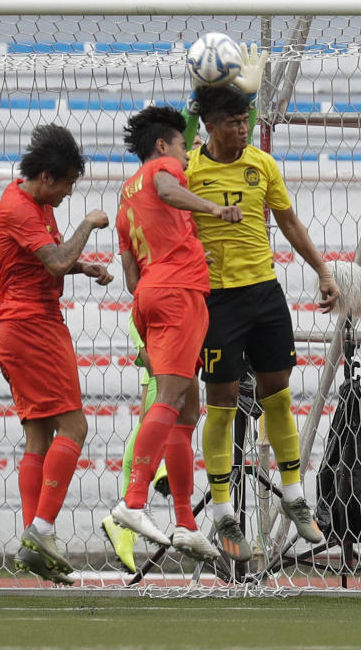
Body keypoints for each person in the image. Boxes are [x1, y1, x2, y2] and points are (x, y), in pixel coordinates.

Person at [184, 83, 339, 561]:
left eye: (245, 120)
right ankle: (223, 514)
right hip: (218, 301)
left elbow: (289, 221)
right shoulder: (188, 170)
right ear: (210, 127)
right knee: (223, 402)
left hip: (265, 294)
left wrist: (323, 270)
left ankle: (294, 496)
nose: (243, 128)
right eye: (233, 122)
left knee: (278, 392)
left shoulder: (261, 165)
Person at [108, 105, 241, 562]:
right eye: (183, 147)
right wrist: (213, 209)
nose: (186, 158)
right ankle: (134, 501)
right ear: (163, 146)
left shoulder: (125, 195)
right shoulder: (162, 171)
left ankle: (185, 524)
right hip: (178, 293)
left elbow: (129, 274)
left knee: (186, 412)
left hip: (149, 294)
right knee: (168, 398)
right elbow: (168, 186)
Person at [0, 124, 113, 584]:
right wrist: (88, 224)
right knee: (75, 426)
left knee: (39, 437)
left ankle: (34, 540)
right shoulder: (19, 207)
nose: (68, 193)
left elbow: (49, 259)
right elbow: (55, 260)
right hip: (32, 327)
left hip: (20, 326)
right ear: (46, 177)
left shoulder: (33, 203)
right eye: (67, 184)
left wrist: (82, 265)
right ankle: (42, 529)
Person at [99, 315, 169, 574]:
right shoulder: (145, 310)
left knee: (148, 432)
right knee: (169, 412)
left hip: (162, 370)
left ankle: (123, 527)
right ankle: (160, 467)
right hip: (164, 370)